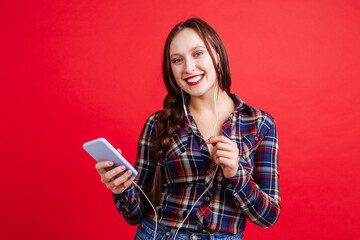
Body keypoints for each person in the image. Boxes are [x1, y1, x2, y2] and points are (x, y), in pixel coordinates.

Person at [95, 18, 281, 240]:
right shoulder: (157, 123)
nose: (189, 68)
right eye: (177, 60)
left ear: (218, 56)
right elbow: (134, 215)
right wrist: (122, 189)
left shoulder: (260, 124)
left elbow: (268, 216)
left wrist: (235, 173)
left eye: (197, 54)